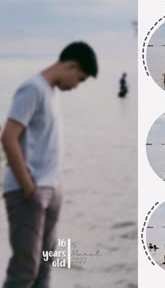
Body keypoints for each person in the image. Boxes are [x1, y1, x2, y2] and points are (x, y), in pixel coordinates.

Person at [1, 41, 98, 288]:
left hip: (50, 187)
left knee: (45, 261)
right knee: (26, 268)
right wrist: (28, 187)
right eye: (81, 79)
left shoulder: (49, 91)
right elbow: (8, 136)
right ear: (71, 66)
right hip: (30, 190)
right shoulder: (32, 88)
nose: (76, 86)